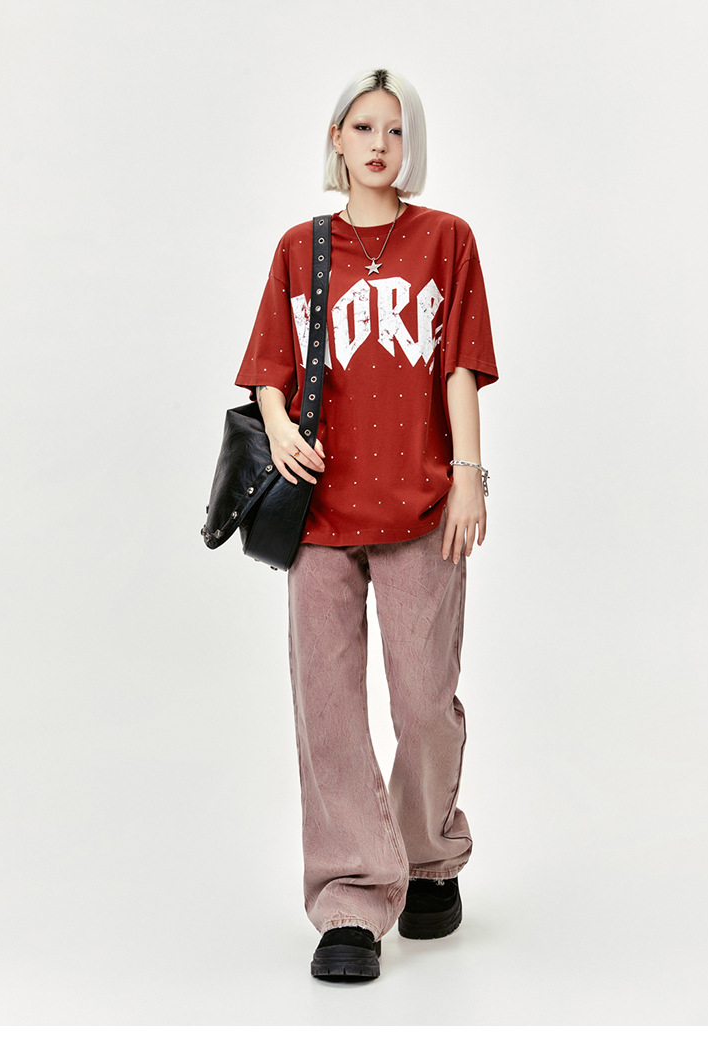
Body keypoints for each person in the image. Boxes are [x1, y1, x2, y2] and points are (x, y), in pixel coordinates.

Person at [234, 69, 498, 981]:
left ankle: (428, 856)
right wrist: (279, 430)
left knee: (425, 702)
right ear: (336, 140)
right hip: (318, 513)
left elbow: (458, 367)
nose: (379, 143)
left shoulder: (446, 239)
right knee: (329, 711)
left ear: (409, 144)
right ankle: (350, 898)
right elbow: (270, 367)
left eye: (395, 129)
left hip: (422, 506)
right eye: (363, 127)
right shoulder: (299, 248)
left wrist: (469, 477)